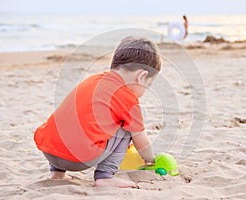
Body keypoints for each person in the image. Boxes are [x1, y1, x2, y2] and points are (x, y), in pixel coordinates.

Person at [34, 36, 161, 188]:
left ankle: (57, 174)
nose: (146, 90)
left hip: (49, 150)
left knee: (73, 119)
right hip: (76, 160)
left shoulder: (92, 80)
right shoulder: (127, 99)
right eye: (149, 85)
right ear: (142, 76)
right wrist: (150, 159)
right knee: (128, 128)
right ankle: (105, 176)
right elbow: (142, 141)